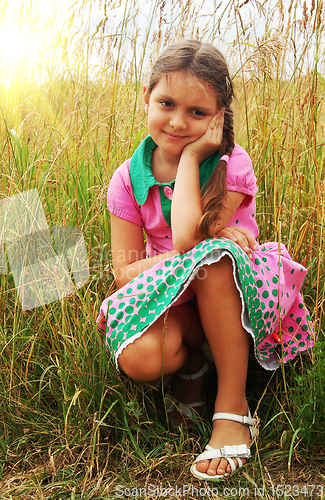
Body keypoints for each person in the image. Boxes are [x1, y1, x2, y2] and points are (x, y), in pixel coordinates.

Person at [97, 39, 315, 480]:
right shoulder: (127, 178)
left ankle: (232, 407)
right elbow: (125, 273)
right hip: (173, 299)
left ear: (219, 116)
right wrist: (182, 258)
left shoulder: (229, 164)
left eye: (197, 113)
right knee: (140, 356)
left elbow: (183, 240)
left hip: (238, 293)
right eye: (166, 103)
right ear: (146, 98)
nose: (177, 122)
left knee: (213, 260)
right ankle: (197, 365)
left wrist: (194, 157)